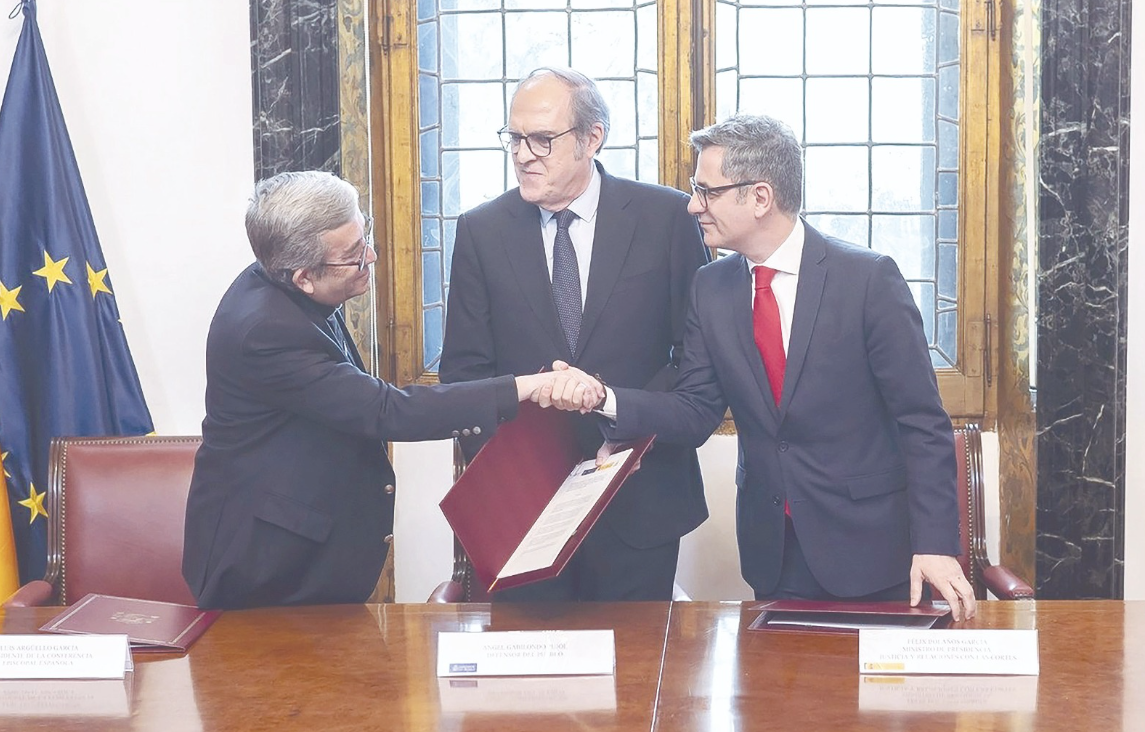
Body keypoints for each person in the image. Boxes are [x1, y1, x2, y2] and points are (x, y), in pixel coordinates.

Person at [555, 114, 976, 620]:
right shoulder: (711, 288)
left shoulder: (867, 280)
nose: (693, 205)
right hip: (774, 550)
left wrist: (935, 544)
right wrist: (606, 399)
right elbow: (695, 409)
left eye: (706, 191)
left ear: (759, 197)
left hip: (871, 548)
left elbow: (922, 422)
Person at [182, 171, 601, 610]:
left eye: (364, 236)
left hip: (302, 549)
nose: (372, 256)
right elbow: (386, 410)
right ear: (303, 277)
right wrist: (526, 387)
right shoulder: (264, 331)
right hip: (264, 567)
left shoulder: (287, 278)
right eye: (353, 256)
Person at [439, 68, 711, 601]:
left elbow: (695, 362)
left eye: (542, 139)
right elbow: (463, 375)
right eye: (514, 138)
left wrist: (625, 421)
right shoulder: (481, 231)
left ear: (592, 138)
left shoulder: (666, 217)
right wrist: (522, 461)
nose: (523, 155)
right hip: (525, 515)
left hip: (641, 498)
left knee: (637, 657)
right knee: (532, 657)